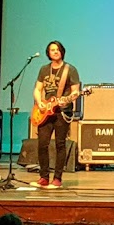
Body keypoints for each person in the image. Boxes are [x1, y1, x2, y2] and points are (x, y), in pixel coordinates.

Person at [32, 40, 80, 188]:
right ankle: (44, 177)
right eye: (52, 50)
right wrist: (39, 102)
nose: (55, 52)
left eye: (58, 49)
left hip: (62, 112)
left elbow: (76, 91)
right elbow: (37, 89)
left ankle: (57, 178)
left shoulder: (70, 70)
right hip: (45, 111)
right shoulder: (44, 70)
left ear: (62, 51)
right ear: (48, 53)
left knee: (60, 144)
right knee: (42, 145)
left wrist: (68, 99)